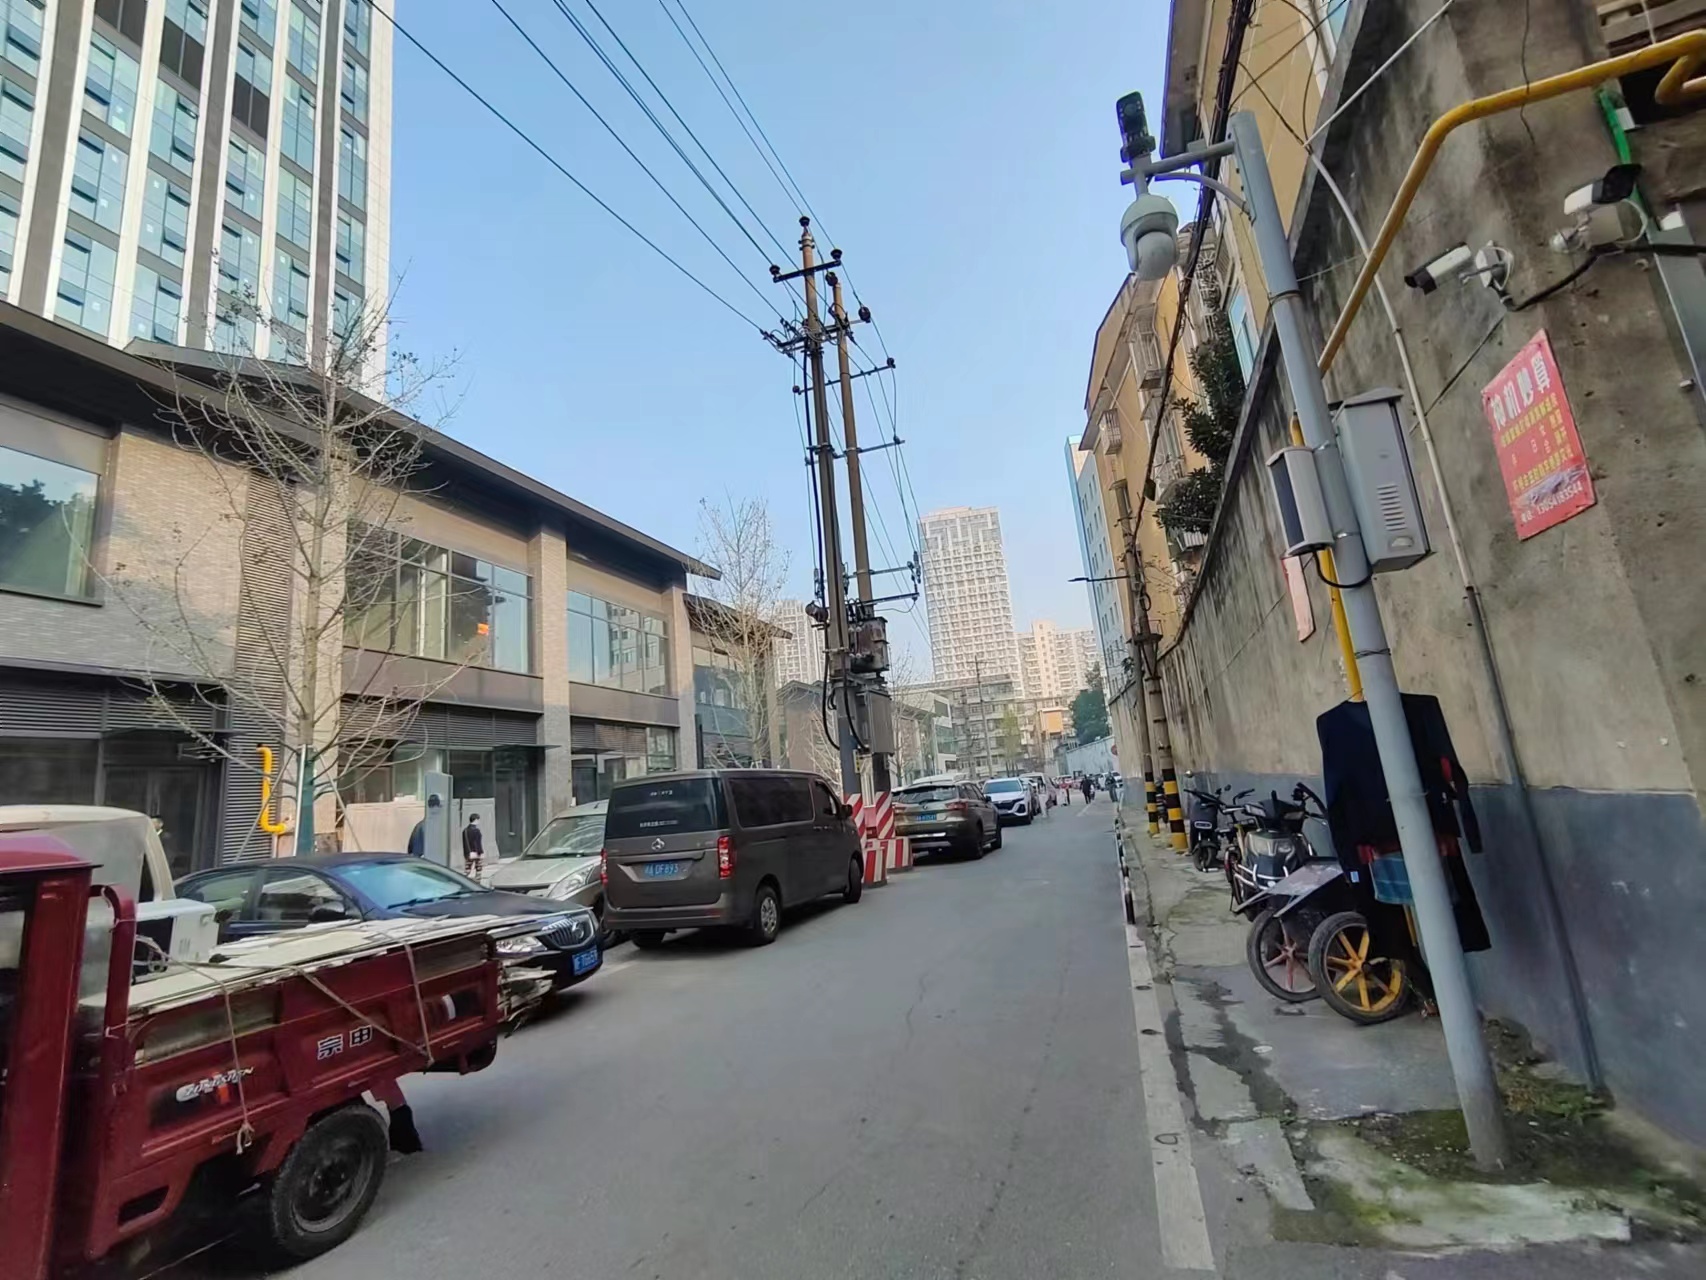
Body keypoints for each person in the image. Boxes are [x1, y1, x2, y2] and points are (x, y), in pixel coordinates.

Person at [461, 813, 485, 878]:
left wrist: (466, 853)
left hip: (468, 853)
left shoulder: (465, 831)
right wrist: (481, 852)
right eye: (478, 820)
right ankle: (477, 881)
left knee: (467, 869)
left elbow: (465, 843)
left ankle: (463, 880)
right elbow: (478, 843)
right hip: (476, 852)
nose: (479, 821)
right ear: (476, 820)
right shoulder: (476, 831)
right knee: (478, 869)